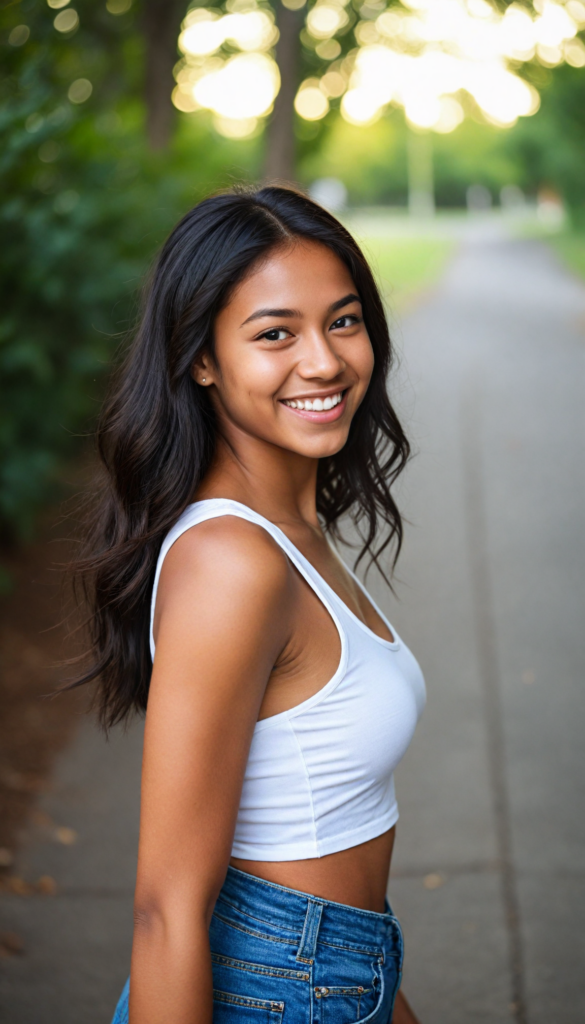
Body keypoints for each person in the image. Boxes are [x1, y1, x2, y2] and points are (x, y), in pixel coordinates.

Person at [75, 185, 426, 1023]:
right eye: (275, 334)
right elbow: (166, 909)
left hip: (332, 968)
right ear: (201, 358)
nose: (324, 362)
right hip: (275, 986)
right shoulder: (232, 563)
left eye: (343, 321)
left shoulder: (285, 531)